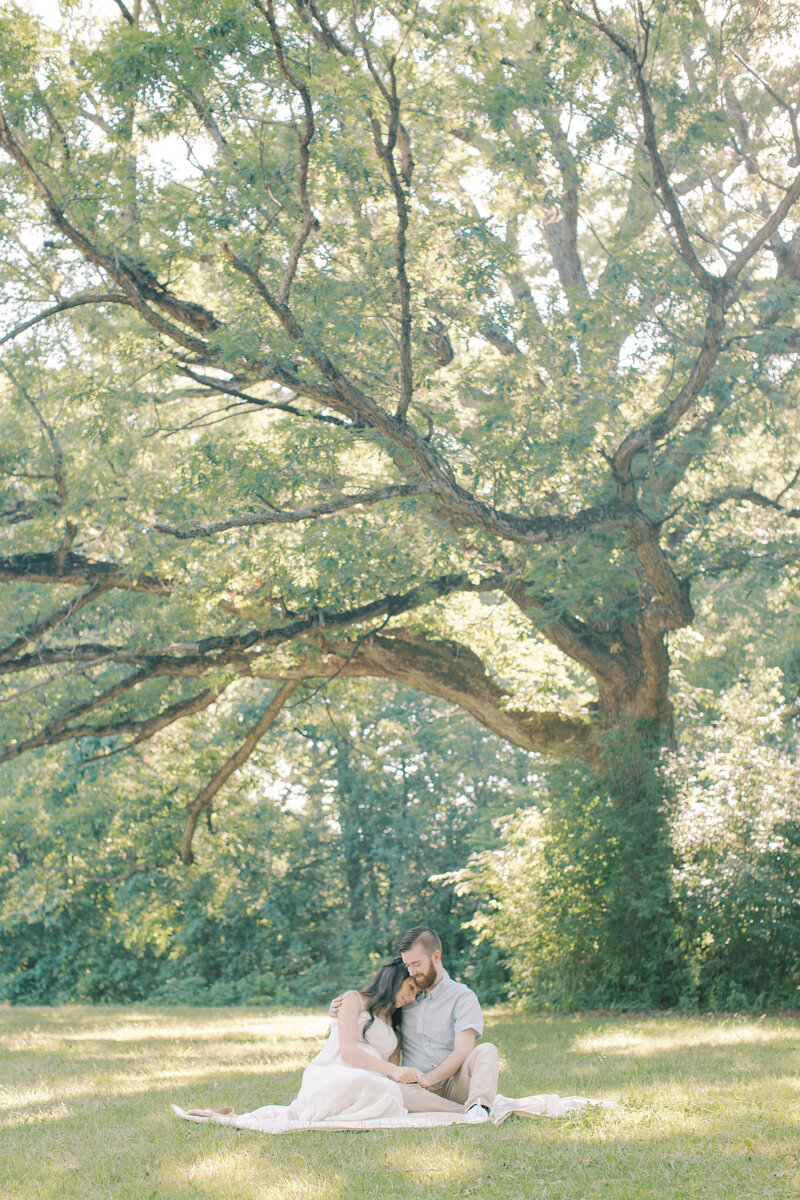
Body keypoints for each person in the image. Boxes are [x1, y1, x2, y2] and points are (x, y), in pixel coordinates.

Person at [174, 956, 465, 1131]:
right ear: (393, 979)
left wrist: (398, 1074)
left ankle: (464, 1111)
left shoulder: (394, 1024)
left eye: (416, 994)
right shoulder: (352, 999)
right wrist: (393, 1074)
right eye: (410, 988)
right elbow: (348, 1050)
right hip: (336, 1073)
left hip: (372, 1080)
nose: (411, 997)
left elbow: (394, 1071)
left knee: (390, 1090)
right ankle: (463, 1112)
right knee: (382, 1085)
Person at [330, 925, 499, 1124]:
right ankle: (463, 1111)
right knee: (390, 1088)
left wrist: (429, 1079)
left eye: (416, 964)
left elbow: (462, 1051)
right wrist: (336, 1010)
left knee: (487, 1050)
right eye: (407, 965)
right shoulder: (404, 997)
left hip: (455, 1082)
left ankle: (478, 1105)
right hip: (413, 1088)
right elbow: (371, 1009)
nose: (411, 971)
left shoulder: (463, 997)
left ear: (436, 956)